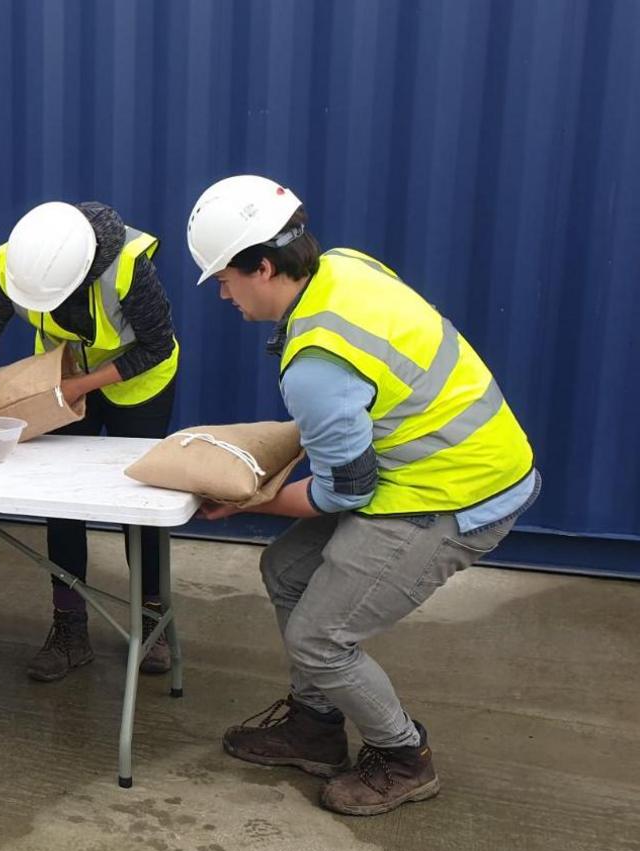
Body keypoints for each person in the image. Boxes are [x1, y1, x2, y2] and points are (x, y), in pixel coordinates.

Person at [185, 175, 539, 815]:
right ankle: (315, 729)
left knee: (321, 638)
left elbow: (343, 492)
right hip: (435, 462)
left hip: (456, 493)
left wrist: (246, 499)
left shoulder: (317, 360)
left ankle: (404, 758)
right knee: (285, 569)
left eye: (224, 280)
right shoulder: (343, 264)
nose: (222, 294)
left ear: (263, 267)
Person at [0, 202, 179, 682]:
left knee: (139, 501)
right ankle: (70, 627)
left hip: (138, 386)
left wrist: (80, 386)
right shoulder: (18, 263)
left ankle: (153, 620)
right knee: (63, 500)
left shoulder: (128, 268)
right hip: (63, 382)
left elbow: (157, 344)